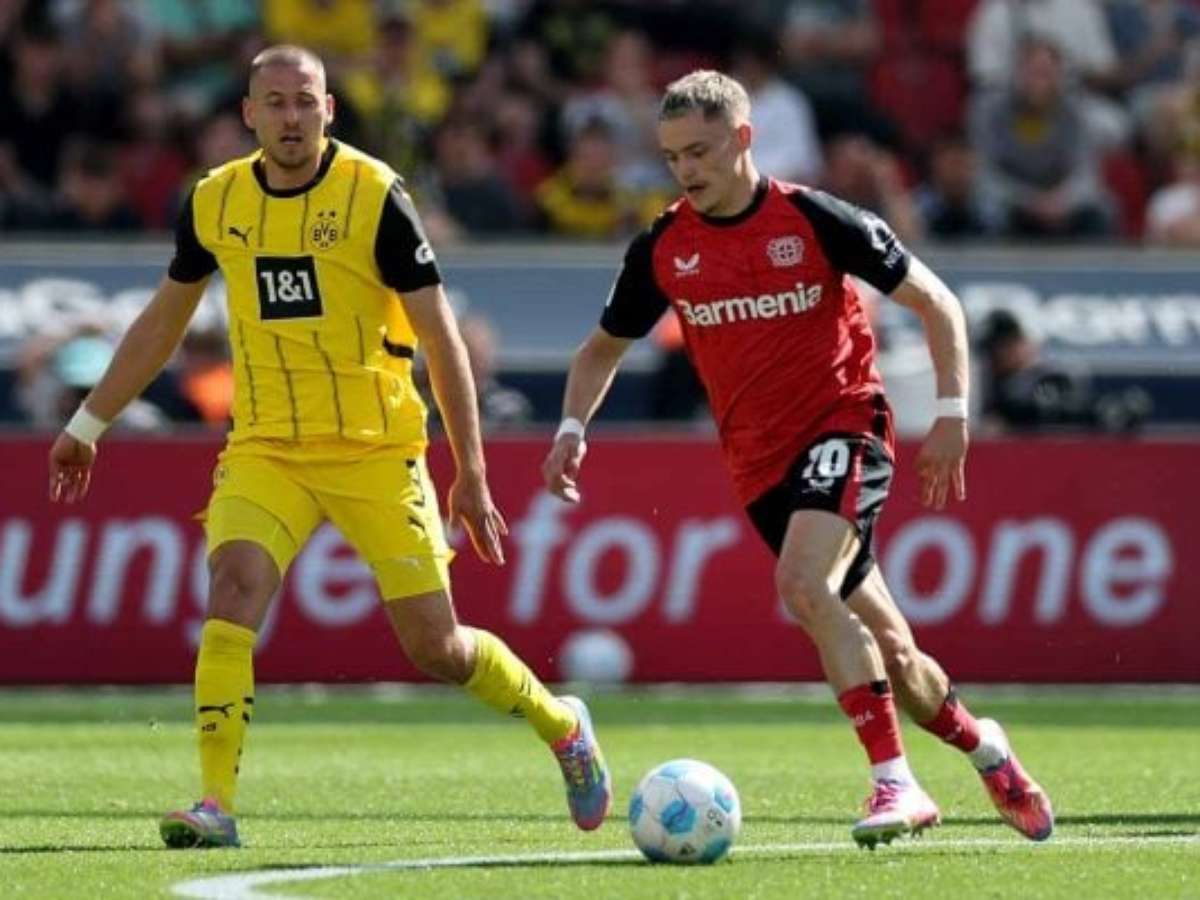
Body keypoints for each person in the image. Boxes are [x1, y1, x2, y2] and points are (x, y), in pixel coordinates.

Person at [47, 44, 611, 849]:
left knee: (438, 648)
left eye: (305, 101)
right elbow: (164, 320)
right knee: (233, 588)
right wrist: (86, 425)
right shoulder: (215, 200)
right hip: (267, 447)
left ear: (329, 110)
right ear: (248, 114)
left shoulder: (374, 195)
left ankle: (562, 726)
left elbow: (441, 338)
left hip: (376, 450)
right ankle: (214, 804)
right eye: (275, 103)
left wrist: (470, 471)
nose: (291, 117)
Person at [542, 70, 1054, 849]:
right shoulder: (665, 247)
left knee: (803, 584)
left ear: (744, 138)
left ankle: (896, 783)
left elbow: (938, 303)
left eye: (700, 151)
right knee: (896, 654)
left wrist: (953, 415)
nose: (686, 170)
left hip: (846, 428)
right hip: (760, 467)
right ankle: (988, 750)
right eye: (673, 156)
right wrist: (571, 428)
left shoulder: (815, 218)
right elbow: (600, 348)